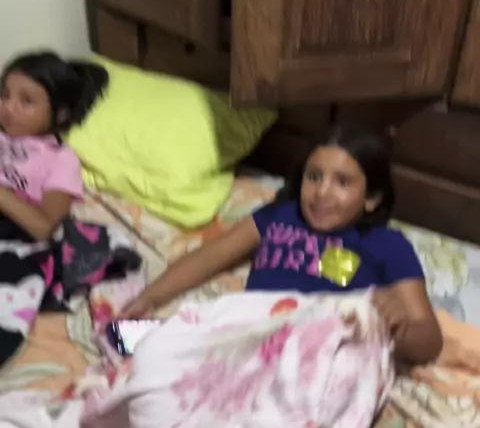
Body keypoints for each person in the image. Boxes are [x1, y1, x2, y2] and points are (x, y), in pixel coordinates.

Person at [122, 123, 442, 364]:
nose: (322, 193)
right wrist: (149, 297)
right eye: (314, 177)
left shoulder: (386, 243)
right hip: (251, 331)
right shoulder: (280, 216)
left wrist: (396, 325)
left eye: (342, 182)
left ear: (371, 198)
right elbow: (211, 256)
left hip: (314, 349)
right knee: (131, 342)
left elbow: (430, 340)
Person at [0, 50, 108, 240]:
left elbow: (48, 229)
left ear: (61, 114)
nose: (8, 107)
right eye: (4, 95)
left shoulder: (60, 158)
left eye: (26, 101)